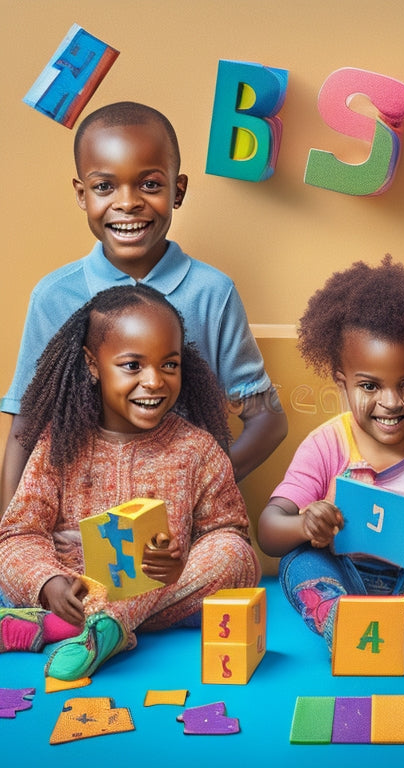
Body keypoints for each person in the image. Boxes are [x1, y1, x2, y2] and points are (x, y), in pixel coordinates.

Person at [1, 101, 287, 511]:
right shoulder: (54, 296)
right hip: (77, 521)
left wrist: (201, 488)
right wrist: (11, 536)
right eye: (105, 187)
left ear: (179, 190)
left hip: (182, 528)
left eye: (150, 185)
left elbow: (268, 419)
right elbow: (24, 428)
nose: (128, 202)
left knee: (230, 556)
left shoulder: (213, 293)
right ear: (82, 195)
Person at [0, 284, 260, 680]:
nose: (154, 381)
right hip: (74, 587)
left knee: (235, 555)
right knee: (10, 559)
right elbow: (19, 533)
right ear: (93, 365)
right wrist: (48, 581)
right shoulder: (60, 443)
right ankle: (86, 620)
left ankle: (80, 627)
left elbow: (228, 534)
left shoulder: (196, 448)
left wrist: (175, 563)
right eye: (132, 365)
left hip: (169, 583)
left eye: (169, 365)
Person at [258, 256, 404, 669]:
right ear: (341, 381)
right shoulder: (326, 445)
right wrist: (303, 525)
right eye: (370, 386)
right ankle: (335, 616)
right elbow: (268, 531)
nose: (391, 402)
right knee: (298, 562)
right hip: (342, 575)